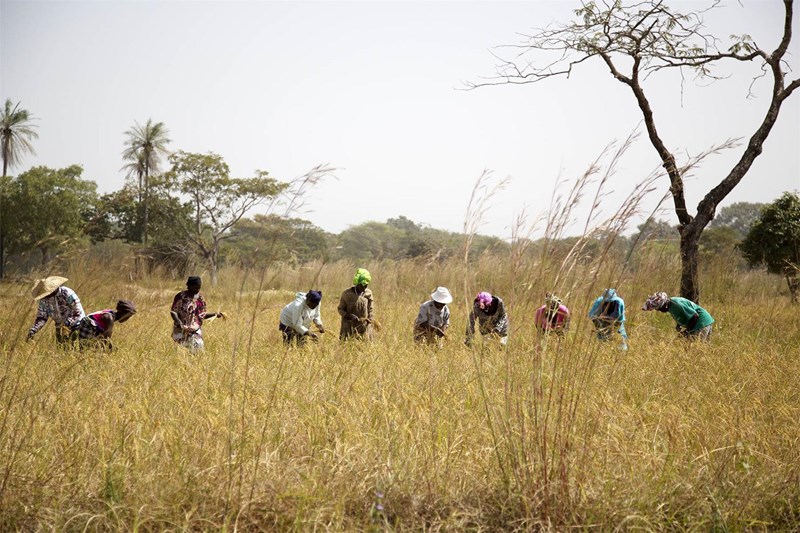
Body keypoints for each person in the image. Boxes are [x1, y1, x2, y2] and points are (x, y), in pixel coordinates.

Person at [170, 276, 226, 352]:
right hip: (181, 329)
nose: (198, 290)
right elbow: (173, 311)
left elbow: (202, 315)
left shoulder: (200, 299)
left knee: (198, 348)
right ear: (189, 286)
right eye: (196, 287)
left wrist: (215, 314)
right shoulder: (180, 297)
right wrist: (178, 321)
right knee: (180, 351)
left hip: (194, 330)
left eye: (199, 287)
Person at [27, 276, 86, 344]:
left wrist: (66, 324)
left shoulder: (66, 293)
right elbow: (42, 317)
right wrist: (34, 330)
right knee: (62, 350)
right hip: (60, 327)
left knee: (75, 348)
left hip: (77, 325)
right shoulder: (43, 300)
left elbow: (77, 312)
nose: (45, 296)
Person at [642, 291, 715, 341]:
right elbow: (682, 315)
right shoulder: (670, 306)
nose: (660, 311)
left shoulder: (677, 304)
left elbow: (695, 316)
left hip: (701, 323)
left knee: (696, 350)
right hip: (703, 322)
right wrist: (679, 325)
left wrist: (687, 332)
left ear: (664, 305)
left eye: (659, 309)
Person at [72, 300, 136, 351]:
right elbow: (107, 335)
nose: (126, 319)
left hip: (91, 327)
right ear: (121, 312)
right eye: (126, 316)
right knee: (87, 348)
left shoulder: (111, 315)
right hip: (87, 325)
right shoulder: (109, 318)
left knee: (95, 348)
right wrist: (111, 348)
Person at [338, 268, 376, 341]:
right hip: (348, 327)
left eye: (366, 285)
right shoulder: (347, 294)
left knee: (363, 347)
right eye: (363, 285)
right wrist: (349, 315)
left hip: (364, 327)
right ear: (357, 283)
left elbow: (370, 309)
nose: (365, 287)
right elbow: (340, 309)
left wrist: (370, 320)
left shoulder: (368, 293)